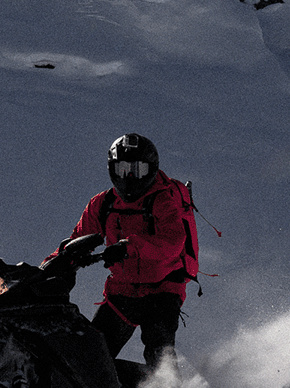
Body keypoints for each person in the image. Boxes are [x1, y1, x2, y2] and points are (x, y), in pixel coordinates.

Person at [55, 133, 198, 370]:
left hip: (163, 288)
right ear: (112, 169)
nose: (130, 177)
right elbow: (76, 240)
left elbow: (173, 242)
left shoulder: (164, 200)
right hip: (122, 289)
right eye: (122, 169)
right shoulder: (102, 203)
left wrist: (129, 247)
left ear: (151, 170)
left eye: (138, 169)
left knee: (159, 355)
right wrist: (46, 269)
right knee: (92, 357)